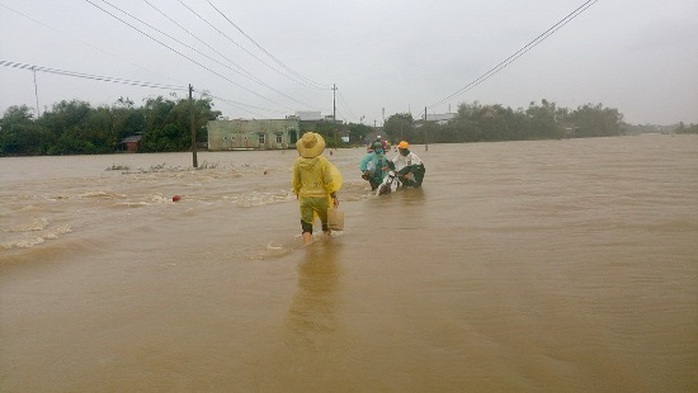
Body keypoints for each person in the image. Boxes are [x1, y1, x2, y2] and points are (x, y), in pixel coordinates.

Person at [292, 132, 342, 245]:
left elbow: (296, 182)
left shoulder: (298, 162)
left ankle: (308, 249)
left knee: (306, 226)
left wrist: (297, 193)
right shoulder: (322, 161)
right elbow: (328, 181)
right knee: (325, 225)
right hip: (321, 198)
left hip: (305, 198)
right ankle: (327, 248)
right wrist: (334, 195)